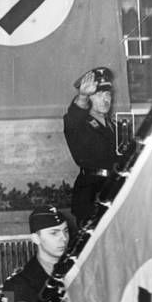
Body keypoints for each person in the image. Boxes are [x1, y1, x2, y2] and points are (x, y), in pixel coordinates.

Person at [63, 67, 119, 224]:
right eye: (98, 95)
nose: (105, 99)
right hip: (91, 195)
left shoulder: (116, 126)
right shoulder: (79, 124)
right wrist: (82, 96)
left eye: (107, 94)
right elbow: (73, 116)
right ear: (89, 99)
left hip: (115, 191)